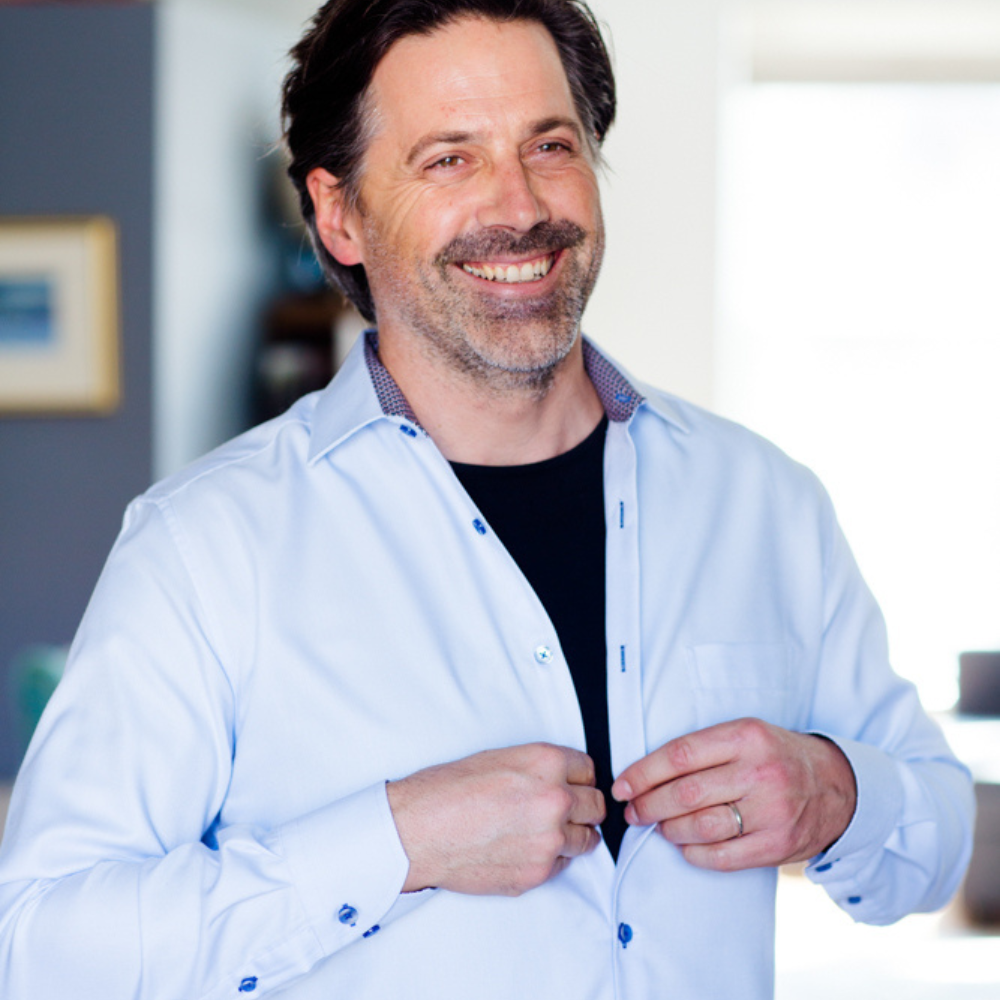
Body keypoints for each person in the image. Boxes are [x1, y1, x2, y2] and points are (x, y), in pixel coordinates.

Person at [0, 1, 974, 998]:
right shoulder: (204, 547)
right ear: (339, 214)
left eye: (549, 144)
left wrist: (839, 794)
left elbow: (936, 842)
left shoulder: (765, 501)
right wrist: (398, 840)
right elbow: (46, 947)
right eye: (449, 159)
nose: (519, 204)